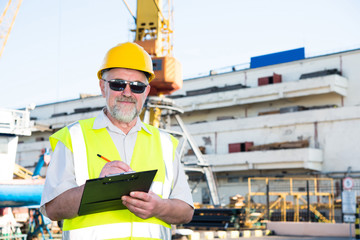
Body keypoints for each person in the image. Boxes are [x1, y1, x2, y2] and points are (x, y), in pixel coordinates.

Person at [40, 42, 194, 240]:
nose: (127, 93)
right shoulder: (73, 137)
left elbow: (186, 211)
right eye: (118, 84)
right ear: (103, 87)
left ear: (146, 92)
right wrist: (96, 189)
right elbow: (53, 208)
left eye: (137, 87)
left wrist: (159, 207)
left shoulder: (165, 143)